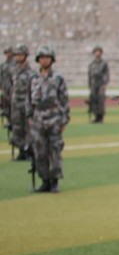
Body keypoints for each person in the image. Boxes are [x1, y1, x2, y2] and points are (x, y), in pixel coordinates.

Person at [29, 45, 70, 193]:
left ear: (51, 60)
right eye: (41, 58)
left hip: (54, 118)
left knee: (55, 150)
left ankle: (54, 181)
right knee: (40, 151)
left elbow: (64, 100)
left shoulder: (58, 78)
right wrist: (29, 117)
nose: (44, 60)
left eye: (47, 57)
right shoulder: (33, 78)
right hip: (38, 119)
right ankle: (44, 180)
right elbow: (29, 100)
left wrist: (65, 120)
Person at [9, 44, 34, 161]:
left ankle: (28, 151)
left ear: (25, 55)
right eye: (17, 55)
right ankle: (21, 151)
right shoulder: (14, 71)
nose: (18, 57)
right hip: (15, 105)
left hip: (26, 104)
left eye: (20, 55)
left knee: (27, 129)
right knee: (17, 128)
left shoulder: (31, 72)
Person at [87, 45, 110, 124]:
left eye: (99, 51)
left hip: (101, 84)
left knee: (100, 101)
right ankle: (96, 116)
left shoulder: (104, 63)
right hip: (94, 84)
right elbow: (89, 75)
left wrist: (105, 84)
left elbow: (106, 74)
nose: (97, 53)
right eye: (96, 51)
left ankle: (100, 117)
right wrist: (89, 85)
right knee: (94, 101)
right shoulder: (91, 64)